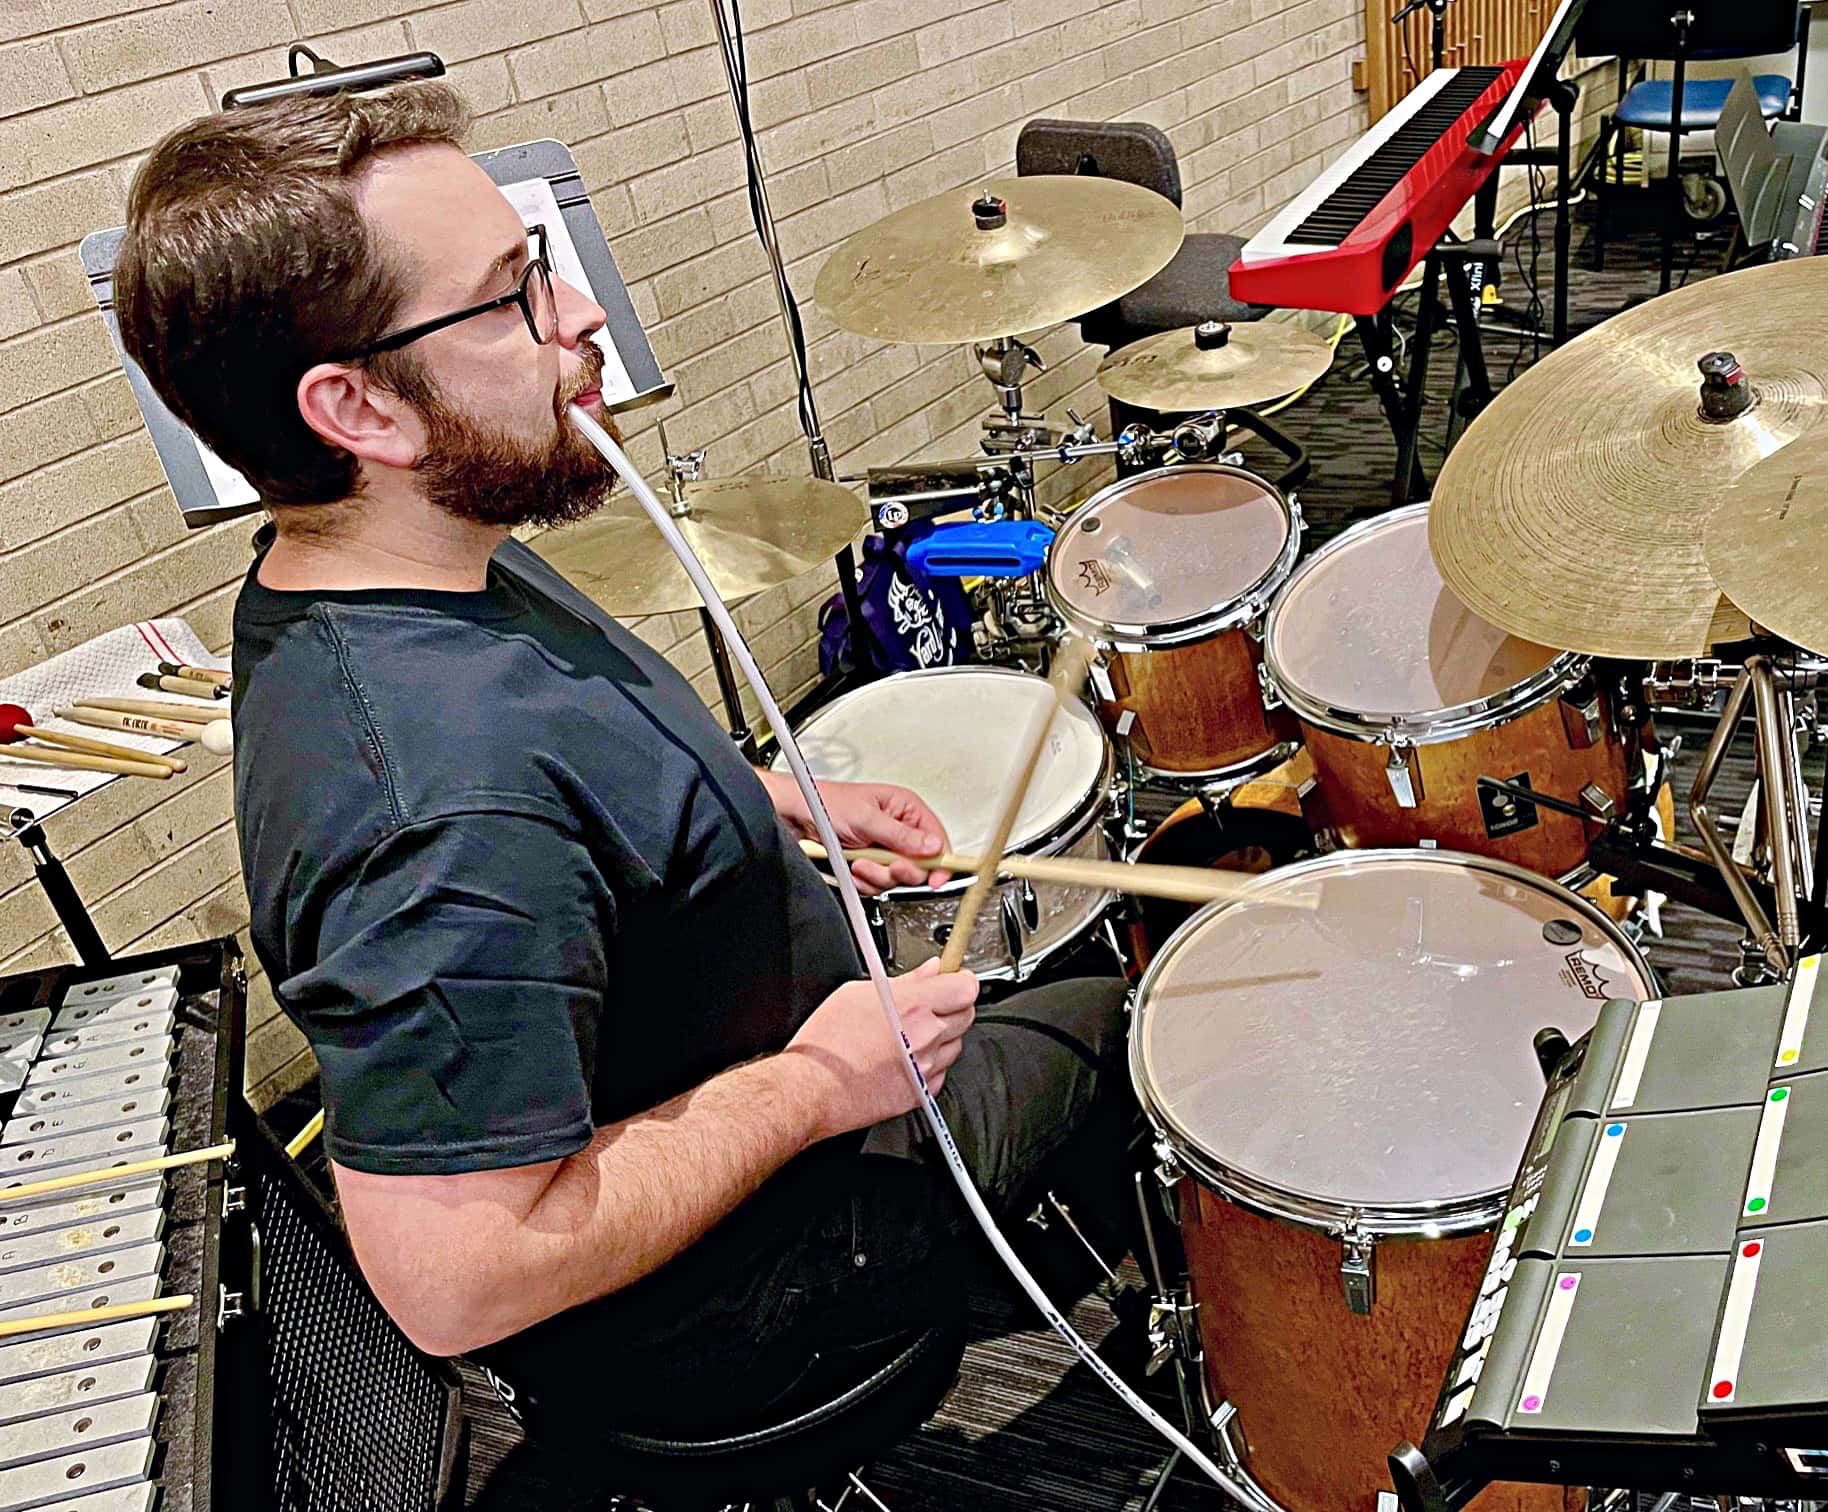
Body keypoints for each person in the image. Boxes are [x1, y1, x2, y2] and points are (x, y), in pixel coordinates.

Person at [113, 82, 1137, 1435]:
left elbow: (577, 783)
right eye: (513, 296)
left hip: (780, 1088)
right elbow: (456, 1283)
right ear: (358, 408)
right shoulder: (433, 810)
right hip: (736, 1288)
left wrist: (769, 799)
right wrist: (824, 1083)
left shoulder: (408, 563)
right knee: (1120, 1008)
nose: (583, 315)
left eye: (543, 267)